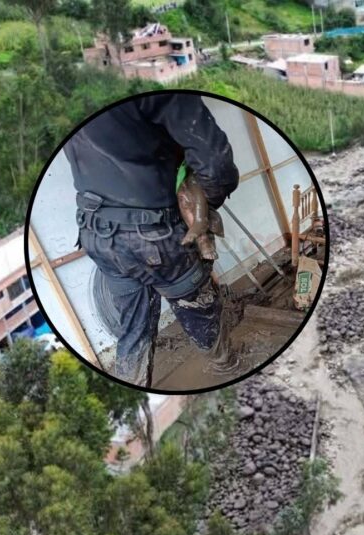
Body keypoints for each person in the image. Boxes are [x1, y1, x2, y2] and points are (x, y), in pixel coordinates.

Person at [67, 94, 241, 387]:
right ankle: (229, 370)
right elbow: (216, 166)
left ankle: (133, 390)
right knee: (199, 311)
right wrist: (199, 211)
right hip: (153, 237)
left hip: (95, 234)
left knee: (133, 329)